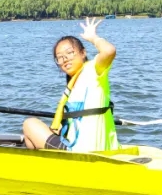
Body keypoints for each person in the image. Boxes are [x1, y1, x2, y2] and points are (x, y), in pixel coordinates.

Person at [22, 17, 119, 153]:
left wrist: (93, 38)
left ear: (83, 53)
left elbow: (109, 51)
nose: (65, 59)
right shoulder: (73, 85)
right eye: (60, 57)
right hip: (81, 147)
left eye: (69, 53)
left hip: (81, 151)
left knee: (29, 124)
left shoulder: (94, 70)